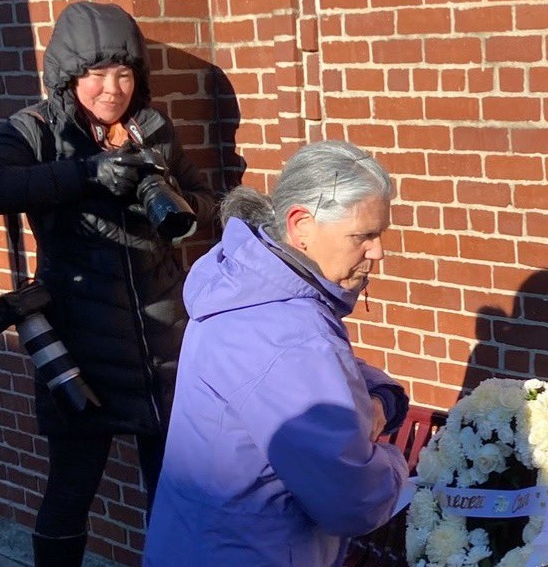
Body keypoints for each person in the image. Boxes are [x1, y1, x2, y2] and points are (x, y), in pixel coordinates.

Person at [0, 3, 216, 565]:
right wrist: (86, 175)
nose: (111, 87)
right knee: (70, 494)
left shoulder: (153, 127)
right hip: (79, 348)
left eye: (124, 73)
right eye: (96, 72)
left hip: (162, 345)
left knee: (174, 495)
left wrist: (171, 200)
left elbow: (208, 205)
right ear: (68, 75)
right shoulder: (35, 129)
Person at [142, 140, 410, 567]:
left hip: (195, 542)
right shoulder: (290, 334)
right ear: (301, 225)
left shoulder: (240, 281)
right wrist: (396, 463)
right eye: (364, 235)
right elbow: (351, 500)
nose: (378, 251)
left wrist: (378, 393)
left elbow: (298, 375)